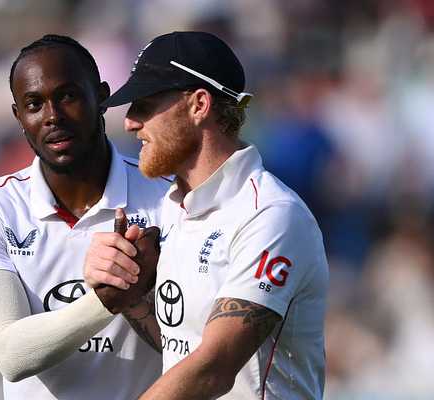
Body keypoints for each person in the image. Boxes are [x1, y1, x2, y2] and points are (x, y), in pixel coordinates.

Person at [84, 31, 329, 399]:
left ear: (199, 104)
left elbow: (214, 368)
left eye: (145, 105)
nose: (130, 122)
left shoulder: (271, 215)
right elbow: (184, 346)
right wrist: (130, 295)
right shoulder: (172, 206)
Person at [0, 34, 170, 399]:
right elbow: (9, 354)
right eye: (34, 104)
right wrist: (109, 298)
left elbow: (200, 349)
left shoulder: (170, 197)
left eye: (68, 96)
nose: (53, 116)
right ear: (18, 117)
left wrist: (137, 300)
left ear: (102, 97)